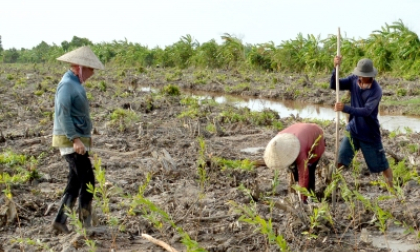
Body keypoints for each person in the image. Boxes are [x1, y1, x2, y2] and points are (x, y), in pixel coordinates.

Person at [51, 46, 104, 234]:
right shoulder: (67, 84)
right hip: (70, 142)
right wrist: (75, 140)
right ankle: (85, 224)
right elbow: (63, 114)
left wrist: (86, 138)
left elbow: (77, 114)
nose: (92, 73)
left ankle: (60, 222)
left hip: (77, 141)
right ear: (80, 66)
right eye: (91, 69)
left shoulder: (74, 83)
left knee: (75, 182)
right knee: (87, 180)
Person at [331, 56, 393, 189]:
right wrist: (335, 68)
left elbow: (366, 111)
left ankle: (393, 192)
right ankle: (330, 189)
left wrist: (345, 108)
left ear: (369, 76)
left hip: (369, 133)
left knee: (382, 165)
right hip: (353, 129)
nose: (359, 77)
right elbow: (335, 85)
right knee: (341, 160)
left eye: (362, 75)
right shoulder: (354, 80)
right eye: (358, 74)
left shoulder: (376, 90)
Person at [264, 123, 326, 202]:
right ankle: (297, 192)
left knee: (309, 171)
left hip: (316, 137)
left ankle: (311, 197)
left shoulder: (300, 151)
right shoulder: (279, 139)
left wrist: (302, 199)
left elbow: (304, 175)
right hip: (301, 133)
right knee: (294, 171)